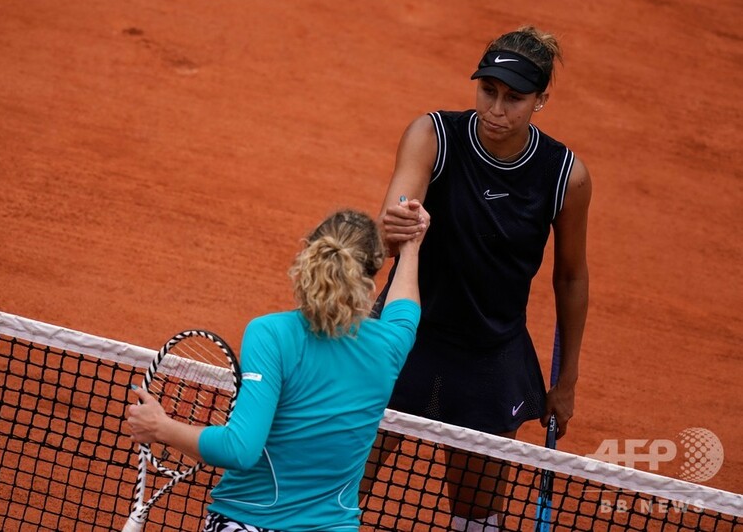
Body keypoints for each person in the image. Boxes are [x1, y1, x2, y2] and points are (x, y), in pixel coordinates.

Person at [373, 26, 591, 531]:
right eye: (488, 90)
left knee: (476, 517)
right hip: (406, 336)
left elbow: (571, 278)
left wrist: (567, 381)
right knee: (340, 486)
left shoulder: (565, 175)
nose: (496, 109)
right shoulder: (433, 135)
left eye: (514, 98)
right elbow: (392, 226)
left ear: (541, 100)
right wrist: (395, 226)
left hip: (489, 357)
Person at [126, 205, 430, 532]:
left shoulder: (271, 334)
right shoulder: (390, 344)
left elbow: (240, 449)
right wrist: (411, 246)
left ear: (308, 254)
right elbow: (405, 312)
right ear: (372, 271)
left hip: (247, 522)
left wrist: (160, 428)